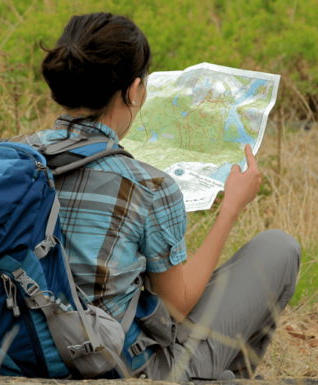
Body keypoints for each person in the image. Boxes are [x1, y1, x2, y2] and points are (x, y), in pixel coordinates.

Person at [30, 12, 301, 381]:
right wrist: (230, 209)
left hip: (26, 347)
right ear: (135, 90)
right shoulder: (148, 185)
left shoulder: (17, 157)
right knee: (279, 248)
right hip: (117, 366)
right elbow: (176, 306)